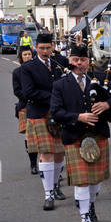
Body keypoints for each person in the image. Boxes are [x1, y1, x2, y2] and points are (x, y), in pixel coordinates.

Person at [50, 43, 111, 222]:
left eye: (83, 60)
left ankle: (90, 204)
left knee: (95, 180)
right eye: (76, 60)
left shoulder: (100, 79)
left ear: (88, 61)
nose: (79, 63)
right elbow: (56, 112)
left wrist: (107, 104)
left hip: (97, 134)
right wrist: (78, 117)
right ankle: (84, 219)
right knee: (82, 182)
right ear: (69, 61)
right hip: (75, 137)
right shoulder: (60, 85)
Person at [21, 33, 66, 210]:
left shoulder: (59, 64)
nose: (45, 51)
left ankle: (55, 186)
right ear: (36, 48)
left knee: (60, 153)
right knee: (46, 153)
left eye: (48, 48)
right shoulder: (28, 68)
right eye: (42, 48)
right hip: (40, 113)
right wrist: (56, 97)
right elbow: (28, 92)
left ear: (53, 46)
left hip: (60, 113)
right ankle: (48, 194)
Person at [12, 45, 38, 175]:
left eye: (29, 54)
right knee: (30, 136)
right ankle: (33, 163)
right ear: (21, 57)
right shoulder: (17, 72)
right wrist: (28, 98)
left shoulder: (39, 69)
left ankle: (47, 164)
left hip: (40, 104)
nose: (27, 56)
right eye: (25, 55)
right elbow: (17, 90)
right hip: (25, 105)